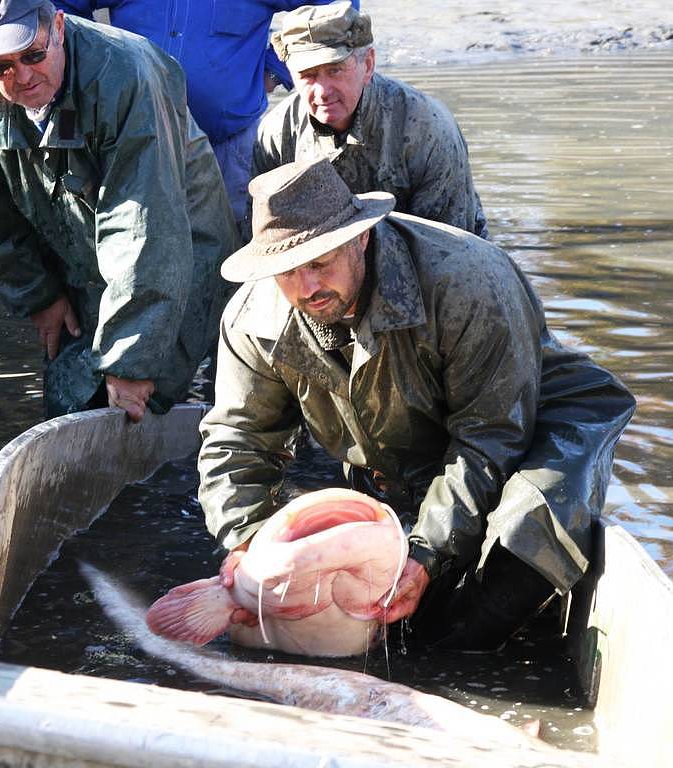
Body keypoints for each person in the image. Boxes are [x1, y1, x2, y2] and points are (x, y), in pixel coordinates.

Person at [197, 158, 636, 652]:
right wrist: (247, 542)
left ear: (359, 237)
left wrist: (426, 553)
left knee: (513, 556)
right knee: (380, 602)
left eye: (319, 263)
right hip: (401, 444)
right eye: (286, 272)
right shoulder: (251, 319)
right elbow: (238, 439)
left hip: (535, 421)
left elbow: (489, 437)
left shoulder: (466, 281)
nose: (306, 288)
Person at [0, 0, 240, 421]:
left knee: (145, 402)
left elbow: (143, 224)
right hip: (80, 257)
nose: (24, 77)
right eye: (1, 67)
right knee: (69, 405)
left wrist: (130, 362)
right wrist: (38, 294)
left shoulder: (125, 74)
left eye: (33, 55)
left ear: (60, 28)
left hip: (180, 252)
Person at [55, 0, 359, 230]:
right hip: (133, 143)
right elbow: (58, 11)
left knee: (237, 249)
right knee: (137, 248)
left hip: (230, 148)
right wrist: (94, 67)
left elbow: (335, 8)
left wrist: (278, 70)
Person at [253, 2, 489, 238]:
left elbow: (449, 246)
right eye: (308, 75)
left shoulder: (428, 130)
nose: (323, 90)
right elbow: (266, 239)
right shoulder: (275, 135)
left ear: (367, 65)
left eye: (335, 70)